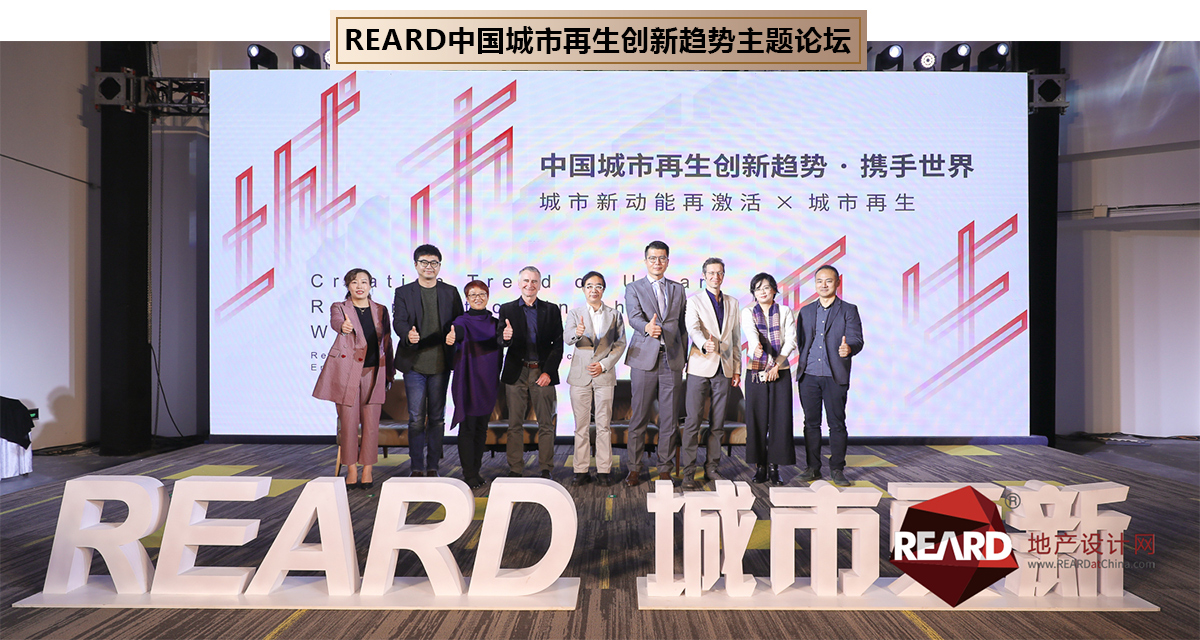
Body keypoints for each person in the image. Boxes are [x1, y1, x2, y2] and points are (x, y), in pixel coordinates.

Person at [313, 268, 395, 489]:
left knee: (371, 425)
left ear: (370, 285)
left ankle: (367, 470)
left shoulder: (380, 310)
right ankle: (351, 469)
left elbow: (387, 342)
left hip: (374, 372)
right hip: (347, 373)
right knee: (348, 424)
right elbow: (336, 322)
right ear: (348, 286)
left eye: (364, 282)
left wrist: (390, 371)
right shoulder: (340, 307)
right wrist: (343, 326)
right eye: (354, 282)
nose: (359, 286)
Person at [392, 244, 463, 477]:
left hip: (441, 364)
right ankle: (416, 467)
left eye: (434, 263)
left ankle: (433, 466)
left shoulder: (450, 292)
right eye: (424, 262)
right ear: (416, 265)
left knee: (437, 418)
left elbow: (460, 321)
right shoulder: (404, 292)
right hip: (414, 364)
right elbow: (399, 321)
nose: (429, 267)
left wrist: (455, 334)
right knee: (415, 418)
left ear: (439, 266)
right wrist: (407, 334)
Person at [624, 240, 687, 487]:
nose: (657, 262)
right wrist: (646, 327)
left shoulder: (678, 289)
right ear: (645, 261)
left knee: (669, 419)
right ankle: (634, 468)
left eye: (661, 258)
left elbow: (682, 326)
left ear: (667, 262)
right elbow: (633, 317)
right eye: (652, 258)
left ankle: (664, 469)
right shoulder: (634, 288)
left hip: (671, 359)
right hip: (644, 359)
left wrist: (683, 357)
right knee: (639, 417)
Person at [796, 264, 864, 487]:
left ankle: (837, 468)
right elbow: (801, 341)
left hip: (835, 375)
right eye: (819, 281)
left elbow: (857, 339)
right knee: (811, 424)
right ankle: (813, 467)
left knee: (836, 424)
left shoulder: (848, 310)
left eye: (828, 281)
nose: (823, 285)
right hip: (808, 375)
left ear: (837, 283)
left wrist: (849, 348)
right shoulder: (806, 311)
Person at [680, 258, 741, 490]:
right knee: (693, 421)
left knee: (718, 423)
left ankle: (712, 468)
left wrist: (736, 369)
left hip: (724, 368)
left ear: (723, 275)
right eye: (711, 273)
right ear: (704, 276)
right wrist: (703, 343)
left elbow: (735, 339)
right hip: (699, 366)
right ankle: (688, 472)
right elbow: (693, 328)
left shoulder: (733, 302)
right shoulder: (694, 301)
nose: (716, 276)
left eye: (719, 273)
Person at [497, 266, 563, 479]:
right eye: (526, 281)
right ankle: (515, 468)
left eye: (534, 281)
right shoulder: (507, 309)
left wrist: (548, 372)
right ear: (519, 284)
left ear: (540, 284)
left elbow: (558, 344)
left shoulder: (551, 310)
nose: (530, 285)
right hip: (516, 372)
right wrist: (506, 337)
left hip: (541, 372)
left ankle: (546, 468)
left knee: (546, 423)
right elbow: (500, 339)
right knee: (514, 424)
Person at [564, 271, 627, 486]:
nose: (594, 290)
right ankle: (581, 470)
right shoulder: (575, 313)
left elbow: (620, 344)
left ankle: (603, 470)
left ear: (603, 289)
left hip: (604, 375)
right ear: (583, 289)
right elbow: (567, 338)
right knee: (580, 426)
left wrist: (603, 365)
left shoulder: (614, 315)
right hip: (580, 376)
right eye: (589, 286)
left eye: (598, 286)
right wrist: (577, 332)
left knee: (603, 426)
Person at [740, 272, 797, 486]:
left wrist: (777, 365)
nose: (762, 292)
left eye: (766, 287)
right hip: (756, 370)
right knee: (756, 419)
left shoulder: (785, 311)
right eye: (758, 288)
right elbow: (752, 336)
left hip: (780, 371)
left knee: (780, 419)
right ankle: (760, 466)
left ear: (774, 289)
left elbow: (791, 340)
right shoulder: (748, 312)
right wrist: (762, 355)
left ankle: (774, 466)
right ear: (753, 293)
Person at [448, 281, 503, 490]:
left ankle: (476, 470)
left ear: (488, 297)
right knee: (468, 427)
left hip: (488, 381)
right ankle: (468, 473)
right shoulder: (461, 321)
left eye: (482, 294)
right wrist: (453, 337)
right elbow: (458, 333)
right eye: (473, 295)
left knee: (481, 428)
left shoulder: (496, 323)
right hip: (468, 380)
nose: (478, 298)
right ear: (467, 299)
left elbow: (502, 343)